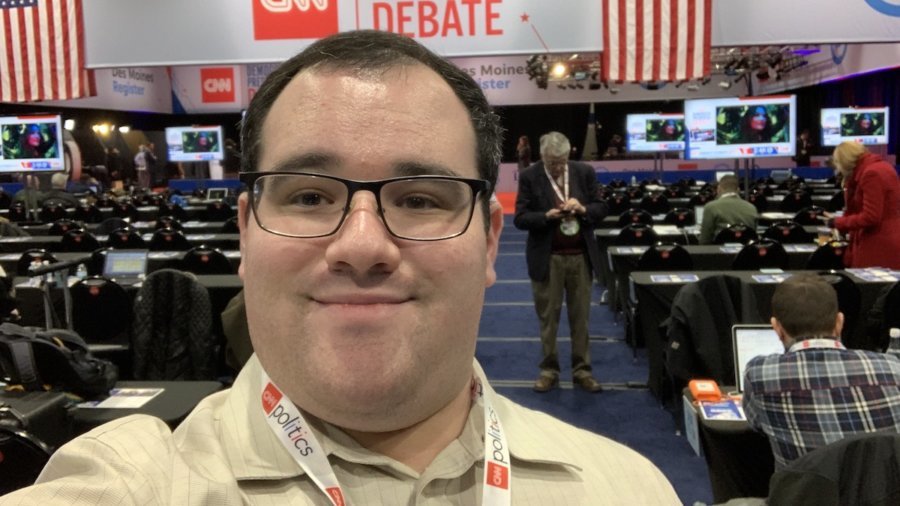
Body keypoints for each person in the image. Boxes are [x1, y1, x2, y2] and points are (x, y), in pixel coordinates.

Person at [0, 30, 678, 504]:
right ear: (244, 230)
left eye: (419, 199)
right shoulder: (130, 484)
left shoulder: (630, 490)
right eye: (308, 196)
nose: (361, 244)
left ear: (486, 237)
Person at [742, 273, 900, 469]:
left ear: (777, 329)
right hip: (883, 496)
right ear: (839, 322)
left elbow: (756, 425)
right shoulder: (892, 368)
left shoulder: (759, 374)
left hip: (803, 496)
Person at [514, 132, 608, 394]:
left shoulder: (584, 172)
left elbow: (602, 208)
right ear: (542, 157)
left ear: (568, 156)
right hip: (548, 258)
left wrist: (584, 209)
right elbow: (520, 218)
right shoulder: (530, 176)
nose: (557, 167)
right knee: (548, 318)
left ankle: (582, 371)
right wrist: (546, 216)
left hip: (580, 257)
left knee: (581, 319)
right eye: (552, 162)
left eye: (561, 161)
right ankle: (549, 369)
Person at [824, 141, 900, 269]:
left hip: (878, 244)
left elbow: (871, 216)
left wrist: (838, 222)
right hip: (890, 238)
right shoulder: (881, 166)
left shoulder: (871, 174)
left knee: (869, 288)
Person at [698, 174, 759, 244]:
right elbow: (754, 236)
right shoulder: (752, 208)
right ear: (738, 190)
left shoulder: (711, 207)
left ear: (718, 189)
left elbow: (705, 240)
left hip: (717, 253)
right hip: (746, 253)